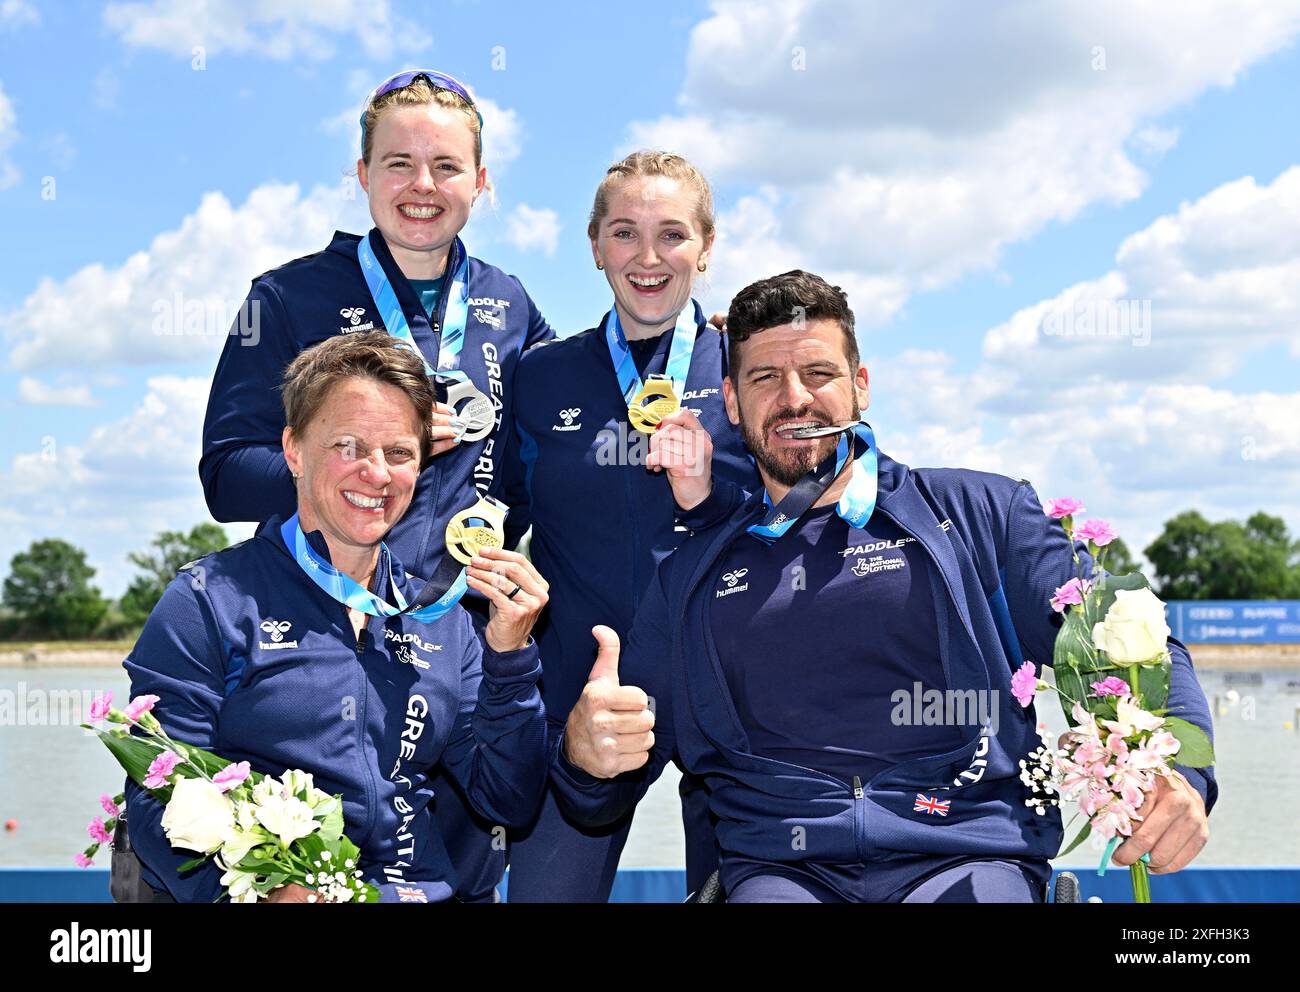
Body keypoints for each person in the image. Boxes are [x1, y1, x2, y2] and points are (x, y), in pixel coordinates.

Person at [552, 270, 1217, 903]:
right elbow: (601, 790)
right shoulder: (690, 575)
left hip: (972, 856)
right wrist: (587, 758)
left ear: (861, 384)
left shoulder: (984, 513)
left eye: (819, 373)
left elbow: (1137, 645)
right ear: (731, 401)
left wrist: (1182, 774)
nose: (794, 398)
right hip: (785, 871)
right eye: (764, 378)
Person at [199, 70, 553, 899]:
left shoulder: (507, 304)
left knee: (446, 878)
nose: (422, 187)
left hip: (453, 650)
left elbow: (571, 416)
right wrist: (365, 453)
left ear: (482, 181)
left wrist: (691, 343)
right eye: (398, 163)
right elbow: (224, 477)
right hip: (316, 638)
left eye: (446, 166)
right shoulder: (287, 297)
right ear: (362, 175)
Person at [126, 331, 549, 903]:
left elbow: (508, 801)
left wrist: (510, 660)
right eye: (347, 446)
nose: (375, 473)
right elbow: (158, 799)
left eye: (399, 453)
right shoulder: (209, 600)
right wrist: (270, 895)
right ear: (294, 449)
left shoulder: (442, 617)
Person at [500, 151, 760, 901]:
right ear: (593, 246)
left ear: (706, 249)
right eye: (624, 233)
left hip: (733, 702)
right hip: (586, 697)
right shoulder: (541, 375)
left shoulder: (751, 366)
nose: (648, 258)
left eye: (673, 235)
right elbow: (495, 513)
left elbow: (802, 510)